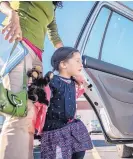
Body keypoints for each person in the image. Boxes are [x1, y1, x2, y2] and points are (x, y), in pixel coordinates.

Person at [0, 1, 63, 159]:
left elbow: (53, 32)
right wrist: (11, 13)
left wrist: (70, 58)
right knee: (18, 111)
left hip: (37, 57)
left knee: (30, 117)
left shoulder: (52, 4)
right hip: (18, 41)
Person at [41, 47, 93, 159]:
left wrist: (81, 82)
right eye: (77, 61)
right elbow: (43, 101)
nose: (81, 64)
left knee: (79, 152)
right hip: (55, 127)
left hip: (70, 125)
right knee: (59, 155)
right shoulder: (52, 81)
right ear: (64, 65)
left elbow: (73, 96)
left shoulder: (73, 83)